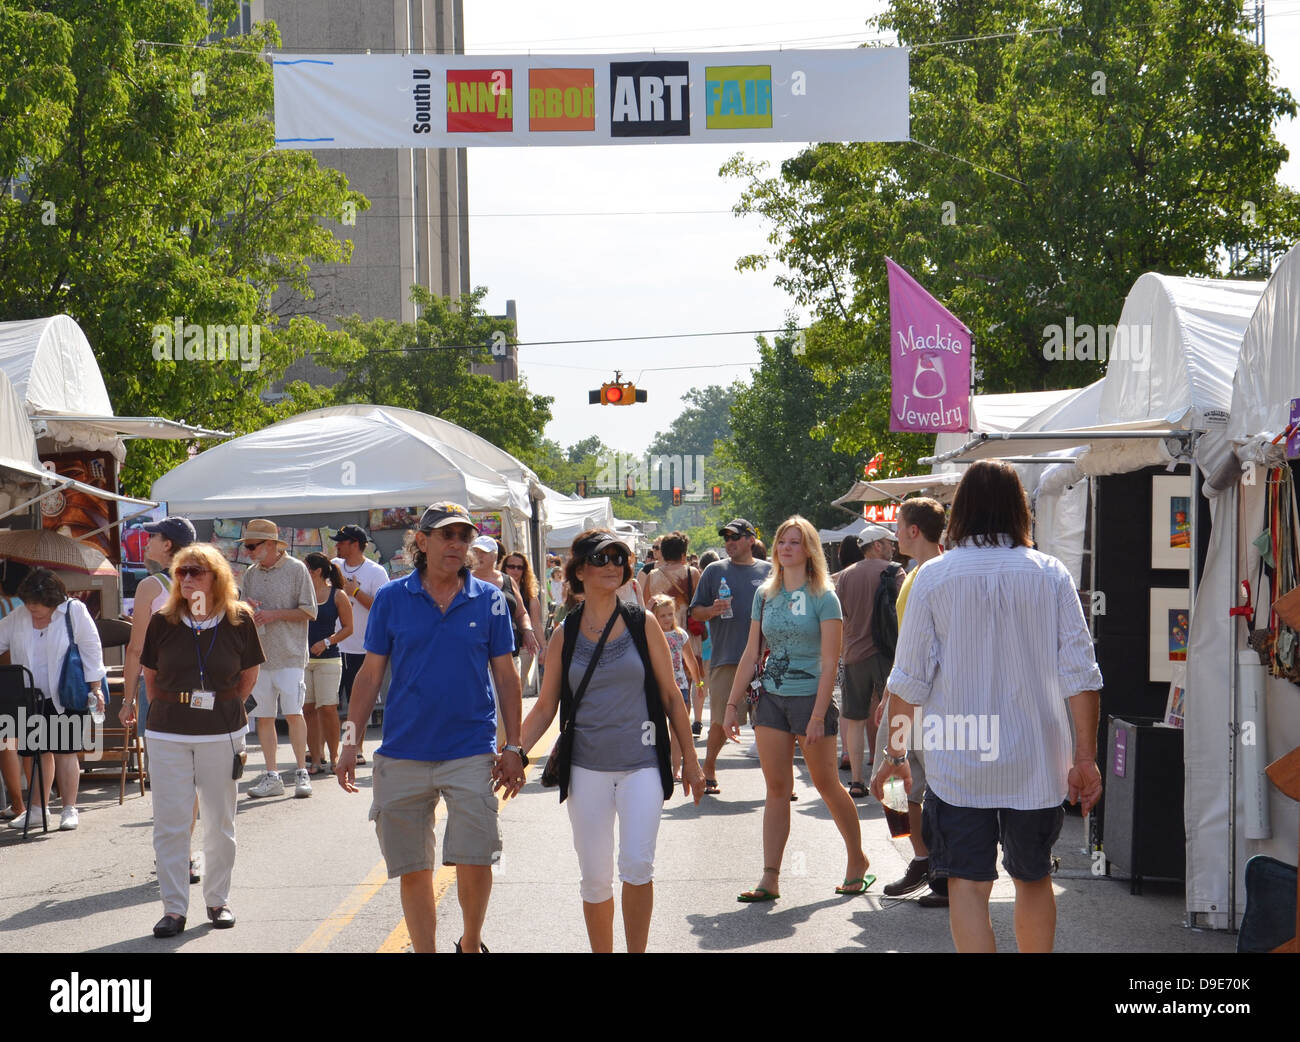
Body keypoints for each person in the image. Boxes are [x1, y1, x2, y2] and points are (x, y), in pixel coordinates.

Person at [871, 461, 1103, 952]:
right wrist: (1085, 757)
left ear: (961, 511)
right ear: (1021, 508)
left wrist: (893, 758)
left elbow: (908, 682)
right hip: (1037, 760)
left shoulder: (933, 577)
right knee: (1033, 877)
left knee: (968, 884)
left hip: (959, 759)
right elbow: (1081, 677)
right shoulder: (1051, 574)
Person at [337, 502, 523, 954]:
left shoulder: (490, 598)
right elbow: (368, 675)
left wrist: (514, 745)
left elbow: (506, 675)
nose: (458, 545)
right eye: (447, 536)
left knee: (476, 858)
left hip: (471, 749)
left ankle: (472, 942)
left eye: (464, 537)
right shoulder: (391, 598)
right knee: (413, 867)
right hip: (403, 752)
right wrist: (349, 740)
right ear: (422, 542)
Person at [508, 530, 704, 952]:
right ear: (579, 570)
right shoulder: (566, 633)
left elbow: (672, 694)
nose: (613, 565)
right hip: (586, 769)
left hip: (642, 763)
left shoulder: (643, 622)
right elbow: (545, 708)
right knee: (595, 877)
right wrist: (513, 751)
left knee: (637, 864)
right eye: (601, 558)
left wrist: (691, 759)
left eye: (619, 557)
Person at [724, 516, 870, 901]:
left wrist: (820, 715)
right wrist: (731, 705)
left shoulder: (824, 595)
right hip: (770, 697)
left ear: (808, 550)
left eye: (794, 542)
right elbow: (750, 652)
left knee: (825, 784)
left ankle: (858, 860)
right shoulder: (765, 594)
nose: (785, 548)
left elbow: (830, 662)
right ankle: (770, 877)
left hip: (811, 699)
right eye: (781, 542)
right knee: (777, 788)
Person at [140, 543, 264, 936]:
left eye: (197, 571)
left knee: (219, 821)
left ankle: (217, 900)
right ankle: (174, 909)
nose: (188, 578)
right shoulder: (163, 620)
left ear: (217, 576)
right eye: (182, 572)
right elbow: (150, 677)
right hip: (167, 732)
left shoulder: (239, 619)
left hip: (222, 732)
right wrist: (178, 707)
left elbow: (249, 675)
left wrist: (224, 707)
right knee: (171, 824)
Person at [868, 498, 947, 904]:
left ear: (914, 530)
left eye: (898, 525)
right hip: (906, 693)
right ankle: (923, 857)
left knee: (915, 783)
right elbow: (907, 648)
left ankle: (934, 864)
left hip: (923, 700)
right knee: (900, 786)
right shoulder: (916, 573)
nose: (894, 533)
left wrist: (897, 696)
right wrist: (887, 693)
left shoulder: (931, 574)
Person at [119, 515, 202, 881]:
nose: (146, 543)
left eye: (151, 538)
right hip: (200, 692)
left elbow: (136, 648)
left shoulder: (150, 588)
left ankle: (172, 855)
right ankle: (182, 854)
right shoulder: (204, 582)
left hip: (160, 691)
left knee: (167, 777)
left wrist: (127, 697)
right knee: (194, 778)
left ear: (167, 544)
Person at [0, 569, 105, 831]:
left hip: (66, 692)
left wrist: (96, 688)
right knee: (35, 751)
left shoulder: (74, 611)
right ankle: (37, 809)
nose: (33, 611)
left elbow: (91, 648)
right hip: (30, 695)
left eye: (38, 607)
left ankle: (69, 808)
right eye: (29, 606)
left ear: (54, 600)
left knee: (65, 750)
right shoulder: (19, 616)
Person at [689, 519, 771, 795]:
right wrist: (711, 610)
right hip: (727, 658)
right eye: (726, 538)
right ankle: (709, 766)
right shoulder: (714, 571)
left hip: (764, 662)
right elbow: (695, 613)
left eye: (735, 537)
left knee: (771, 724)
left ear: (751, 539)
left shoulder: (769, 571)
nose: (729, 543)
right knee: (721, 721)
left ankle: (779, 781)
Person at [239, 519, 317, 800]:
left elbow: (310, 611)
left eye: (251, 546)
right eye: (246, 546)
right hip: (259, 657)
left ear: (270, 544)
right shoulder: (250, 573)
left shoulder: (297, 570)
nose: (247, 551)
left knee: (294, 713)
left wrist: (275, 614)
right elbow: (240, 610)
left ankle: (301, 771)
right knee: (264, 717)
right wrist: (246, 608)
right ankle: (272, 775)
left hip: (290, 654)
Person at [833, 524, 901, 798]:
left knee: (855, 717)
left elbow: (842, 614)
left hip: (853, 655)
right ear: (876, 545)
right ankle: (893, 779)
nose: (893, 547)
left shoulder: (845, 576)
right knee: (895, 715)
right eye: (888, 543)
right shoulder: (894, 571)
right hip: (888, 654)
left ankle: (858, 781)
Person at [330, 525, 389, 766]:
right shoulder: (333, 565)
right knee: (329, 704)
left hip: (363, 649)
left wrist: (354, 591)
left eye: (341, 542)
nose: (337, 545)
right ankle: (332, 752)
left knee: (358, 703)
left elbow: (383, 608)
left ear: (355, 543)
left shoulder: (376, 572)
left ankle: (356, 748)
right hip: (333, 645)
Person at [303, 553, 354, 775]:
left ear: (316, 571)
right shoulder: (300, 594)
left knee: (328, 709)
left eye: (305, 568)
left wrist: (326, 642)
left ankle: (334, 757)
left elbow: (348, 627)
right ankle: (315, 759)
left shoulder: (337, 595)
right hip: (302, 659)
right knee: (307, 710)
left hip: (329, 659)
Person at [648, 593, 700, 781]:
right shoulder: (651, 635)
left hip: (680, 687)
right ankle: (657, 764)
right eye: (663, 616)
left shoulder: (680, 635)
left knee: (678, 730)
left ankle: (676, 767)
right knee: (657, 728)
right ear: (654, 617)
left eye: (670, 614)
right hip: (658, 687)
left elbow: (691, 662)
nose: (668, 619)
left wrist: (699, 682)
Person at [503, 550, 546, 694]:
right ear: (504, 567)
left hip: (522, 648)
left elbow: (536, 624)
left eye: (519, 567)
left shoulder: (530, 595)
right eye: (511, 566)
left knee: (515, 693)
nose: (515, 570)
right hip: (499, 648)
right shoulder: (494, 588)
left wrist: (544, 648)